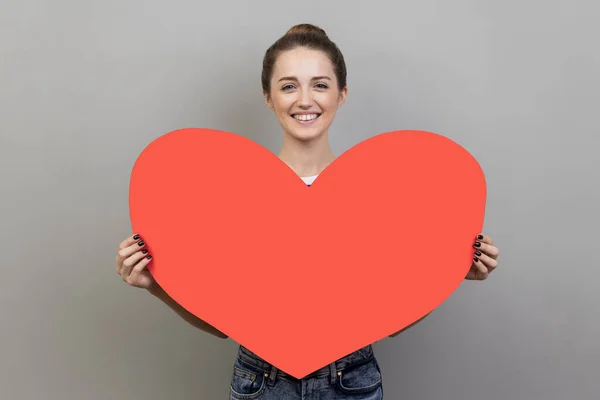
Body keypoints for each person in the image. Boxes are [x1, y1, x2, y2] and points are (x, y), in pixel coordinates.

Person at [115, 23, 501, 399]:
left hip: (353, 383)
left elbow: (392, 320)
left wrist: (451, 273)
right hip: (260, 383)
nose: (304, 100)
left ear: (342, 94)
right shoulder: (231, 200)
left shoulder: (379, 199)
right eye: (288, 86)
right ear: (268, 97)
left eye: (320, 84)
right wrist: (156, 287)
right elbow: (222, 322)